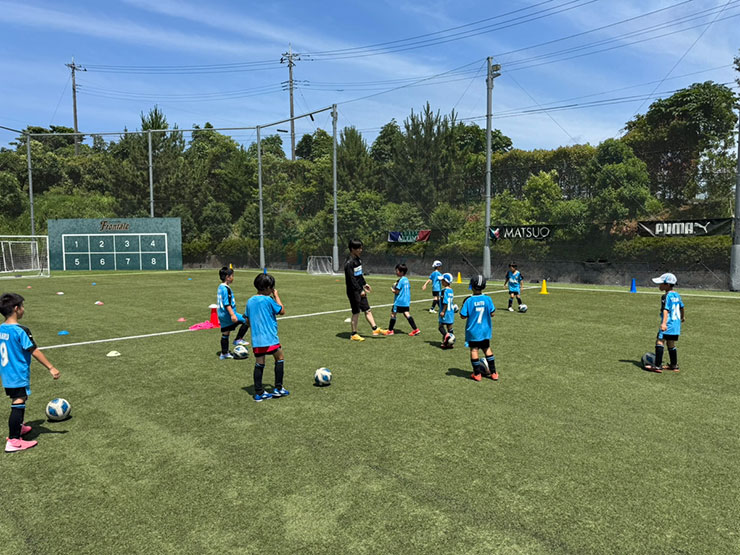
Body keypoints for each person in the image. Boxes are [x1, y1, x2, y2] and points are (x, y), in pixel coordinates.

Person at [0, 293, 60, 452]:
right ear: (16, 309)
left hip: (7, 373)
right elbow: (34, 350)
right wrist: (51, 367)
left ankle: (18, 427)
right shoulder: (21, 330)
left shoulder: (1, 328)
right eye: (22, 306)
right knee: (18, 401)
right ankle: (14, 440)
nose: (23, 309)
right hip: (17, 373)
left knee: (21, 397)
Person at [245, 273, 288, 402]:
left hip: (257, 340)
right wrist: (276, 296)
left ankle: (259, 393)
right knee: (279, 358)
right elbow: (281, 311)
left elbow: (247, 320)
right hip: (270, 338)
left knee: (259, 363)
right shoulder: (269, 300)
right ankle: (278, 388)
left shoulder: (250, 301)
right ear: (268, 287)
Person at [344, 239, 389, 341]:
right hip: (353, 291)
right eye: (358, 248)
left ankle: (375, 329)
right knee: (356, 312)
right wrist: (360, 290)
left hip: (360, 289)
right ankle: (354, 334)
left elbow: (359, 275)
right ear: (352, 249)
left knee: (367, 309)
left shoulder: (358, 260)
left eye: (361, 248)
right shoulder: (349, 263)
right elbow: (352, 280)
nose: (361, 250)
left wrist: (364, 284)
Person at [644, 273, 685, 373]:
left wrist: (663, 323)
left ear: (667, 284)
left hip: (668, 323)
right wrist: (682, 317)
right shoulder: (677, 295)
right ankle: (674, 365)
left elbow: (665, 310)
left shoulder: (666, 296)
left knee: (660, 341)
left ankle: (657, 366)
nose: (659, 285)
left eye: (661, 283)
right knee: (671, 343)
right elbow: (682, 307)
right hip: (676, 324)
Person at [459, 276, 498, 381]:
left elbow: (463, 316)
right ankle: (494, 373)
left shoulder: (469, 300)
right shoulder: (488, 299)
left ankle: (477, 374)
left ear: (471, 286)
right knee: (487, 349)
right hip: (485, 330)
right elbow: (493, 313)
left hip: (473, 331)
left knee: (474, 350)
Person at [216, 267, 249, 360]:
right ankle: (238, 339)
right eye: (232, 276)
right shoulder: (226, 289)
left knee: (225, 333)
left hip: (221, 314)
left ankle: (224, 353)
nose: (233, 278)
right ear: (227, 277)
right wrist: (232, 315)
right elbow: (227, 304)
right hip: (228, 314)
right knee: (247, 320)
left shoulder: (220, 287)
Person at [387, 263, 420, 336]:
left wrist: (393, 289)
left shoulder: (401, 280)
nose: (396, 272)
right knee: (406, 314)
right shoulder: (406, 280)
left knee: (393, 314)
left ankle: (390, 330)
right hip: (406, 301)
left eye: (397, 271)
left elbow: (397, 291)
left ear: (401, 272)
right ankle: (415, 329)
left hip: (399, 301)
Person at [438, 273, 456, 349]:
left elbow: (445, 302)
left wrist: (443, 311)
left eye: (442, 280)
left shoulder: (444, 291)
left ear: (446, 281)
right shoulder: (451, 290)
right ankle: (451, 343)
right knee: (449, 328)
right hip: (451, 312)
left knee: (440, 327)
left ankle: (447, 340)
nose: (441, 281)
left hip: (445, 312)